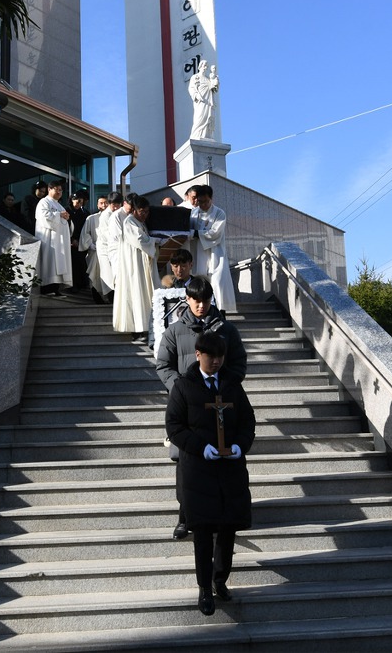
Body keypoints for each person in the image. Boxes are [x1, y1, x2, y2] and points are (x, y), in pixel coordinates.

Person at [166, 331, 255, 616]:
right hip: (198, 471)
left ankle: (220, 580)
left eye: (220, 356)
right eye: (211, 356)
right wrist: (200, 448)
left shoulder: (232, 385)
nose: (216, 362)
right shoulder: (183, 386)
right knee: (203, 532)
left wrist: (240, 445)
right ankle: (204, 588)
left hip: (230, 470)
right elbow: (174, 427)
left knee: (228, 528)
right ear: (198, 355)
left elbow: (247, 422)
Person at [156, 276, 247, 539]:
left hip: (220, 406)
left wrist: (225, 386)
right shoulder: (175, 331)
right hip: (188, 409)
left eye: (205, 300)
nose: (201, 305)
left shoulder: (226, 330)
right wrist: (182, 391)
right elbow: (163, 365)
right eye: (196, 300)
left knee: (221, 461)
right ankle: (185, 517)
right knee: (187, 462)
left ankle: (221, 516)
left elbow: (239, 364)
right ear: (187, 299)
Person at [112, 195, 160, 340]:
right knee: (136, 294)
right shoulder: (129, 222)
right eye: (141, 211)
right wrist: (156, 240)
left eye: (146, 212)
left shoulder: (140, 223)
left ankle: (146, 328)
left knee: (144, 295)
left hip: (142, 264)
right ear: (134, 210)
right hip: (133, 266)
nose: (144, 214)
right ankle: (136, 330)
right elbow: (140, 240)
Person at [190, 184, 237, 312]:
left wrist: (196, 233)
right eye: (200, 202)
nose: (203, 205)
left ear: (211, 199)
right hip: (199, 252)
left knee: (217, 282)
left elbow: (215, 233)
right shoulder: (194, 213)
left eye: (206, 201)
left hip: (215, 253)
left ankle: (221, 312)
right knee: (200, 283)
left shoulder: (219, 213)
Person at [35, 180, 72, 296]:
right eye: (57, 190)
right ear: (49, 189)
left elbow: (65, 221)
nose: (59, 192)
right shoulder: (44, 202)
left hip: (60, 240)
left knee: (59, 264)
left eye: (61, 190)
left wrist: (67, 218)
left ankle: (56, 288)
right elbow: (42, 216)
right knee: (50, 262)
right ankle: (46, 288)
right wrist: (59, 215)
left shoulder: (59, 205)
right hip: (49, 239)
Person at [80, 195, 113, 304]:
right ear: (97, 204)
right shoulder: (91, 218)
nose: (104, 205)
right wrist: (90, 244)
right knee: (95, 275)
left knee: (109, 275)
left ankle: (111, 298)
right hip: (95, 252)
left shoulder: (113, 217)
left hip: (109, 252)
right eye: (101, 203)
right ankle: (98, 298)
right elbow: (85, 234)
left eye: (106, 202)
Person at [189, 60, 219, 140]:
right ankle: (196, 134)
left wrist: (215, 82)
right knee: (199, 117)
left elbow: (213, 89)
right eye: (204, 65)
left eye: (206, 66)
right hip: (200, 101)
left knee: (208, 118)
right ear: (200, 66)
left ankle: (206, 135)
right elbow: (191, 88)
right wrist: (196, 95)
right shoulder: (195, 77)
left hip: (208, 102)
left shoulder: (207, 79)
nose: (205, 67)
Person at [68, 189, 91, 291]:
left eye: (80, 202)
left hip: (82, 242)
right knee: (73, 265)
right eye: (76, 201)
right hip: (71, 242)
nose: (78, 204)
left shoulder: (84, 212)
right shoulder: (66, 211)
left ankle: (83, 284)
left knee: (82, 263)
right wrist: (72, 239)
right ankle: (73, 286)